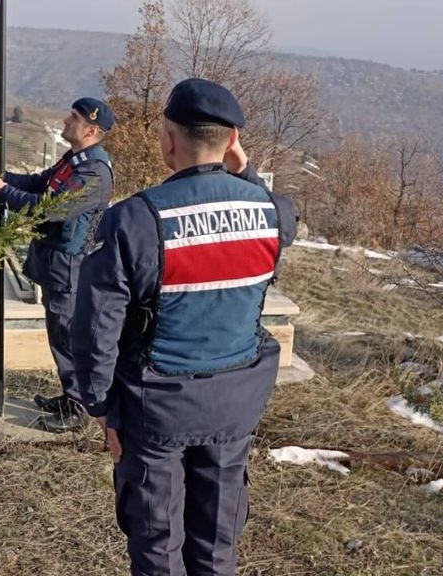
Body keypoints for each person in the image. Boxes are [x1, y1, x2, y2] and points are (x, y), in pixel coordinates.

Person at [71, 79, 298, 576]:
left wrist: (100, 404)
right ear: (231, 137)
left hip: (157, 409)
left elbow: (95, 326)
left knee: (157, 541)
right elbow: (285, 220)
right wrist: (245, 169)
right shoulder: (272, 213)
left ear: (169, 138)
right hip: (237, 404)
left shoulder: (134, 220)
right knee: (217, 541)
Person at [0, 97, 115, 432]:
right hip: (53, 259)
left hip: (68, 264)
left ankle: (77, 408)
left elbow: (49, 208)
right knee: (60, 334)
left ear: (91, 129)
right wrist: (4, 179)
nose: (64, 120)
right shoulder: (74, 160)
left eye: (73, 117)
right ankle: (71, 395)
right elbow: (40, 183)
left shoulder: (94, 173)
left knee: (68, 336)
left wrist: (3, 193)